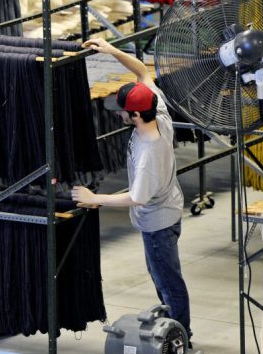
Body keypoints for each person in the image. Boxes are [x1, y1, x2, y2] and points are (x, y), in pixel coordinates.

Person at [72, 38, 192, 339]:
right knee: (164, 277)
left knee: (167, 281)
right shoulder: (158, 112)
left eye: (123, 111)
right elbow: (142, 73)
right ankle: (175, 329)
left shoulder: (148, 153)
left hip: (158, 222)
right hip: (168, 210)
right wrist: (111, 51)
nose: (119, 114)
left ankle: (180, 336)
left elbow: (137, 197)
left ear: (137, 115)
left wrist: (93, 198)